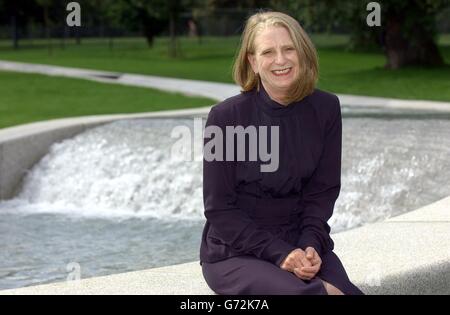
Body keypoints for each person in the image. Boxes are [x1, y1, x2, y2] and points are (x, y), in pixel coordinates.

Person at [199, 10, 364, 295]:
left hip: (300, 240)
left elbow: (322, 192)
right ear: (253, 61)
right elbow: (219, 209)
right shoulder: (225, 117)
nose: (280, 60)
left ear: (302, 52)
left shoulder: (326, 109)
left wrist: (311, 242)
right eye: (268, 52)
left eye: (289, 49)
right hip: (236, 251)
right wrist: (280, 254)